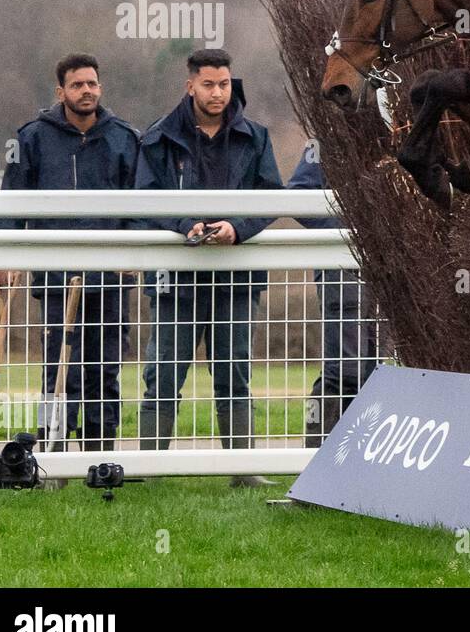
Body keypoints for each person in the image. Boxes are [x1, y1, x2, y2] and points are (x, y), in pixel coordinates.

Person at [134, 49, 282, 487]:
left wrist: (237, 229)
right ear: (190, 86)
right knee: (163, 372)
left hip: (236, 277)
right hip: (176, 277)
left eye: (224, 84)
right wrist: (185, 226)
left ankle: (243, 471)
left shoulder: (255, 137)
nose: (217, 93)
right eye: (208, 85)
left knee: (234, 370)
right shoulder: (159, 137)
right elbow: (144, 200)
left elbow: (273, 198)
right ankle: (149, 471)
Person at [0, 53, 139, 453]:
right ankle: (53, 449)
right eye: (78, 84)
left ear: (101, 87)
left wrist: (133, 252)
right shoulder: (31, 138)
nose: (87, 90)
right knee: (58, 370)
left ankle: (99, 451)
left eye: (92, 83)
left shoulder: (125, 138)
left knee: (105, 369)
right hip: (56, 277)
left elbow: (142, 203)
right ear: (61, 91)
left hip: (110, 278)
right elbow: (12, 202)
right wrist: (7, 258)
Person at [287, 145, 378, 447]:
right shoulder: (325, 139)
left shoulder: (396, 129)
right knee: (344, 368)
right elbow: (300, 196)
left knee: (373, 368)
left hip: (386, 267)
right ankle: (316, 458)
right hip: (341, 266)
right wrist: (349, 233)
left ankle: (356, 456)